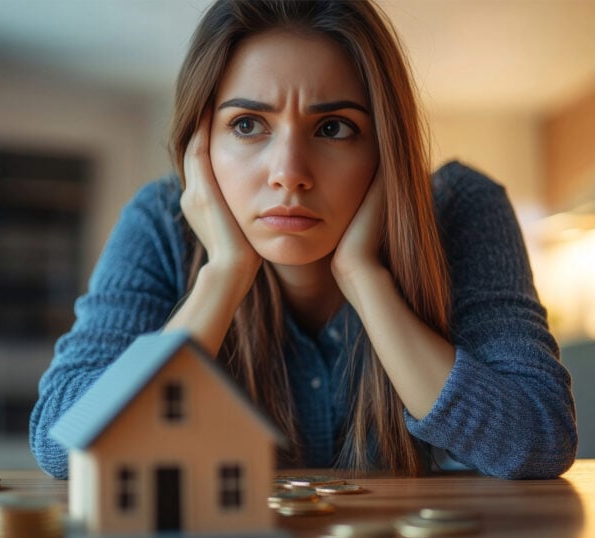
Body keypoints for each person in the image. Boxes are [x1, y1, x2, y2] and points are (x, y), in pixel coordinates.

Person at [29, 0, 577, 480]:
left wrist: (366, 279)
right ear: (201, 145)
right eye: (248, 124)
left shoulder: (461, 210)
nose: (289, 172)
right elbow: (61, 440)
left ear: (386, 145)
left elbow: (540, 436)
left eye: (333, 127)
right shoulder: (159, 222)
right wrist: (223, 275)